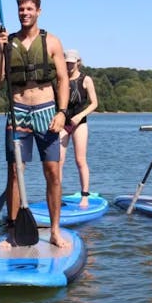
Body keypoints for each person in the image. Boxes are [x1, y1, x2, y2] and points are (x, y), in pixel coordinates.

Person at [0, 0, 70, 248]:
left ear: (38, 11)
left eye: (29, 9)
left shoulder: (52, 42)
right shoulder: (8, 42)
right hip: (18, 111)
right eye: (21, 10)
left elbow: (63, 79)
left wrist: (62, 112)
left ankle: (55, 230)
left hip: (47, 111)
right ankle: (12, 231)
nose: (25, 13)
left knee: (53, 172)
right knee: (15, 172)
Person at [58, 49, 98, 208]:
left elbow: (95, 103)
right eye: (66, 62)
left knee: (80, 160)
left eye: (72, 63)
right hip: (63, 122)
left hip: (79, 123)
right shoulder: (60, 79)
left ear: (78, 62)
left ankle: (85, 196)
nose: (69, 65)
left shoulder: (86, 79)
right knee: (58, 162)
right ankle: (57, 196)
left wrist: (80, 116)